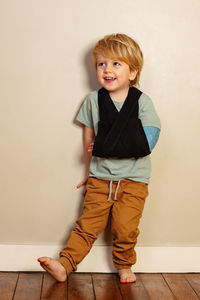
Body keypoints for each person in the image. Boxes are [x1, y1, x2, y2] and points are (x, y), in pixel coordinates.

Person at [38, 33, 161, 283]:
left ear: (133, 72)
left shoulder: (142, 102)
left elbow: (148, 141)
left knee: (125, 228)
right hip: (100, 179)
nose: (107, 69)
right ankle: (65, 265)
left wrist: (113, 144)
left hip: (134, 180)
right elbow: (89, 142)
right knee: (86, 226)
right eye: (102, 64)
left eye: (117, 64)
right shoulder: (93, 101)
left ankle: (124, 265)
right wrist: (89, 173)